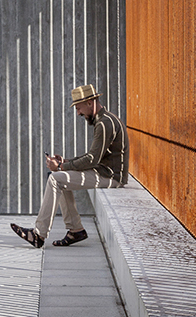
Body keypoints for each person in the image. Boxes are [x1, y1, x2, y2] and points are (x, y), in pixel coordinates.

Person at [11, 84, 129, 248]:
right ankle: (75, 230)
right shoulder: (106, 119)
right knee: (58, 179)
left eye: (79, 108)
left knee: (55, 179)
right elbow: (94, 156)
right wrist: (66, 162)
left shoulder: (104, 124)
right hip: (105, 172)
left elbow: (92, 159)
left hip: (110, 177)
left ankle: (38, 235)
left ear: (90, 103)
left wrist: (60, 167)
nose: (78, 113)